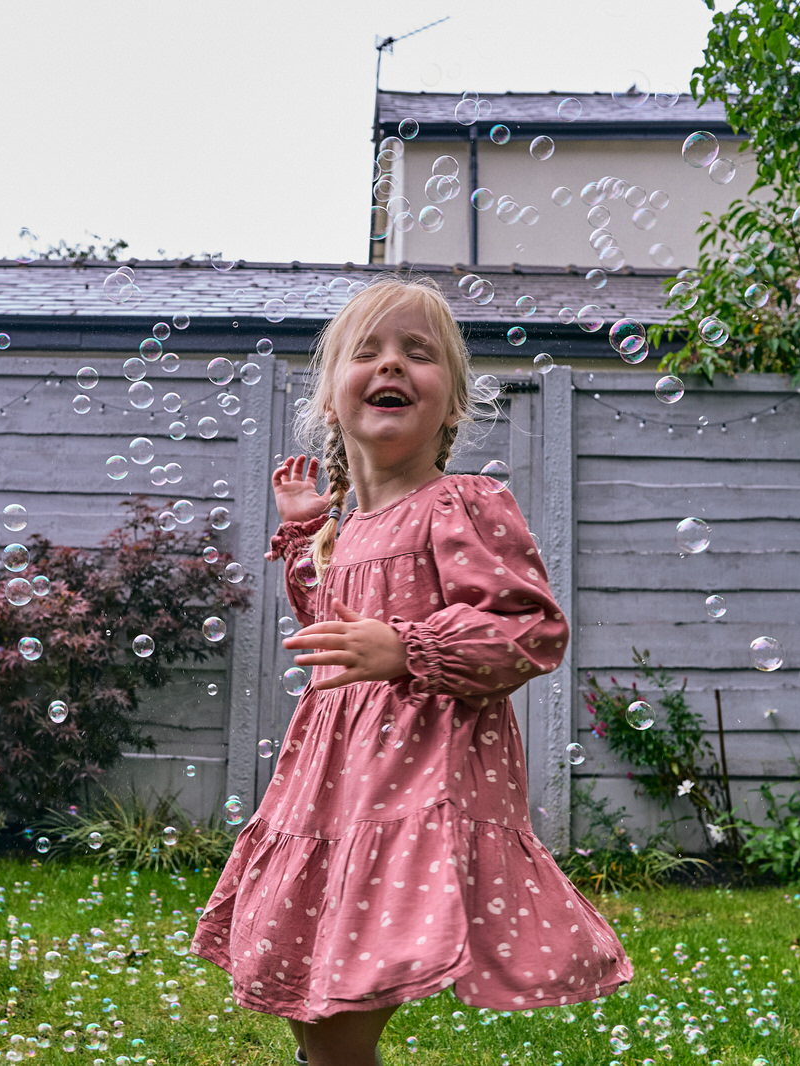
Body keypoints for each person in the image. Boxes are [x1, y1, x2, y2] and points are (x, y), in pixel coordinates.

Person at [190, 275, 632, 1066]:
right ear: (331, 401)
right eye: (369, 352)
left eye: (417, 354)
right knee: (314, 992)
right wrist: (303, 540)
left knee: (344, 1001)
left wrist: (409, 649)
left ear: (453, 404)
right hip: (336, 778)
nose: (392, 364)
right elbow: (328, 628)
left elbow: (529, 628)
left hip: (416, 778)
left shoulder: (461, 502)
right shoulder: (347, 526)